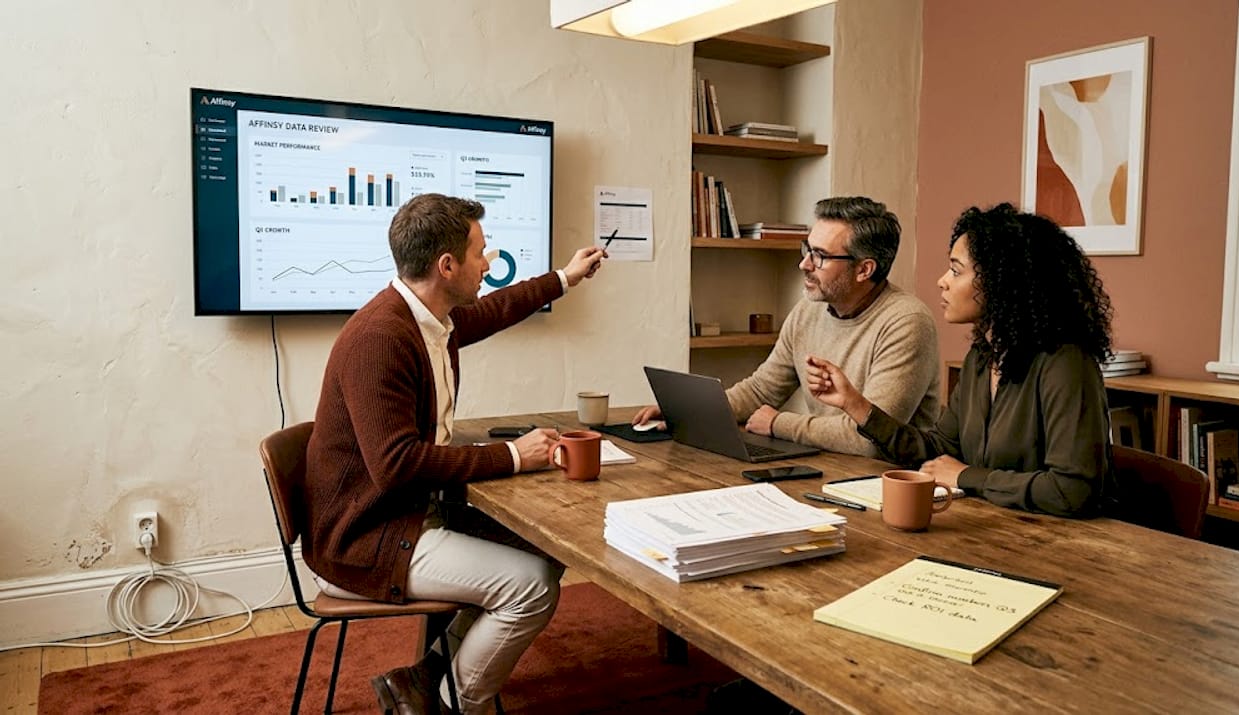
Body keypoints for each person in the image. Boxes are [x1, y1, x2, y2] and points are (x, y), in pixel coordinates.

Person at [303, 193, 607, 715]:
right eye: (480, 252)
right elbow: (396, 466)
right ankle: (458, 703)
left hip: (408, 516)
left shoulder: (428, 320)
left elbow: (494, 309)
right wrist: (511, 455)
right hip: (366, 537)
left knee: (547, 549)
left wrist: (565, 277)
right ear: (447, 266)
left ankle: (424, 679)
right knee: (530, 588)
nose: (488, 263)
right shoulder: (381, 337)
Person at [805, 202, 1115, 517]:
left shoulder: (1066, 362)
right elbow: (938, 450)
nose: (943, 281)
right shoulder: (982, 357)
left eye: (956, 270)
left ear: (1001, 281)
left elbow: (1072, 490)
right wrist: (854, 405)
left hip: (1061, 546)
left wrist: (966, 476)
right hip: (993, 529)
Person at [634, 196, 941, 457]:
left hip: (887, 485)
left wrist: (780, 424)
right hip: (829, 468)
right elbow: (762, 389)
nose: (804, 264)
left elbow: (871, 438)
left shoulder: (907, 323)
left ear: (864, 269)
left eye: (819, 256)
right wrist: (688, 410)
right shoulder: (810, 309)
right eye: (807, 250)